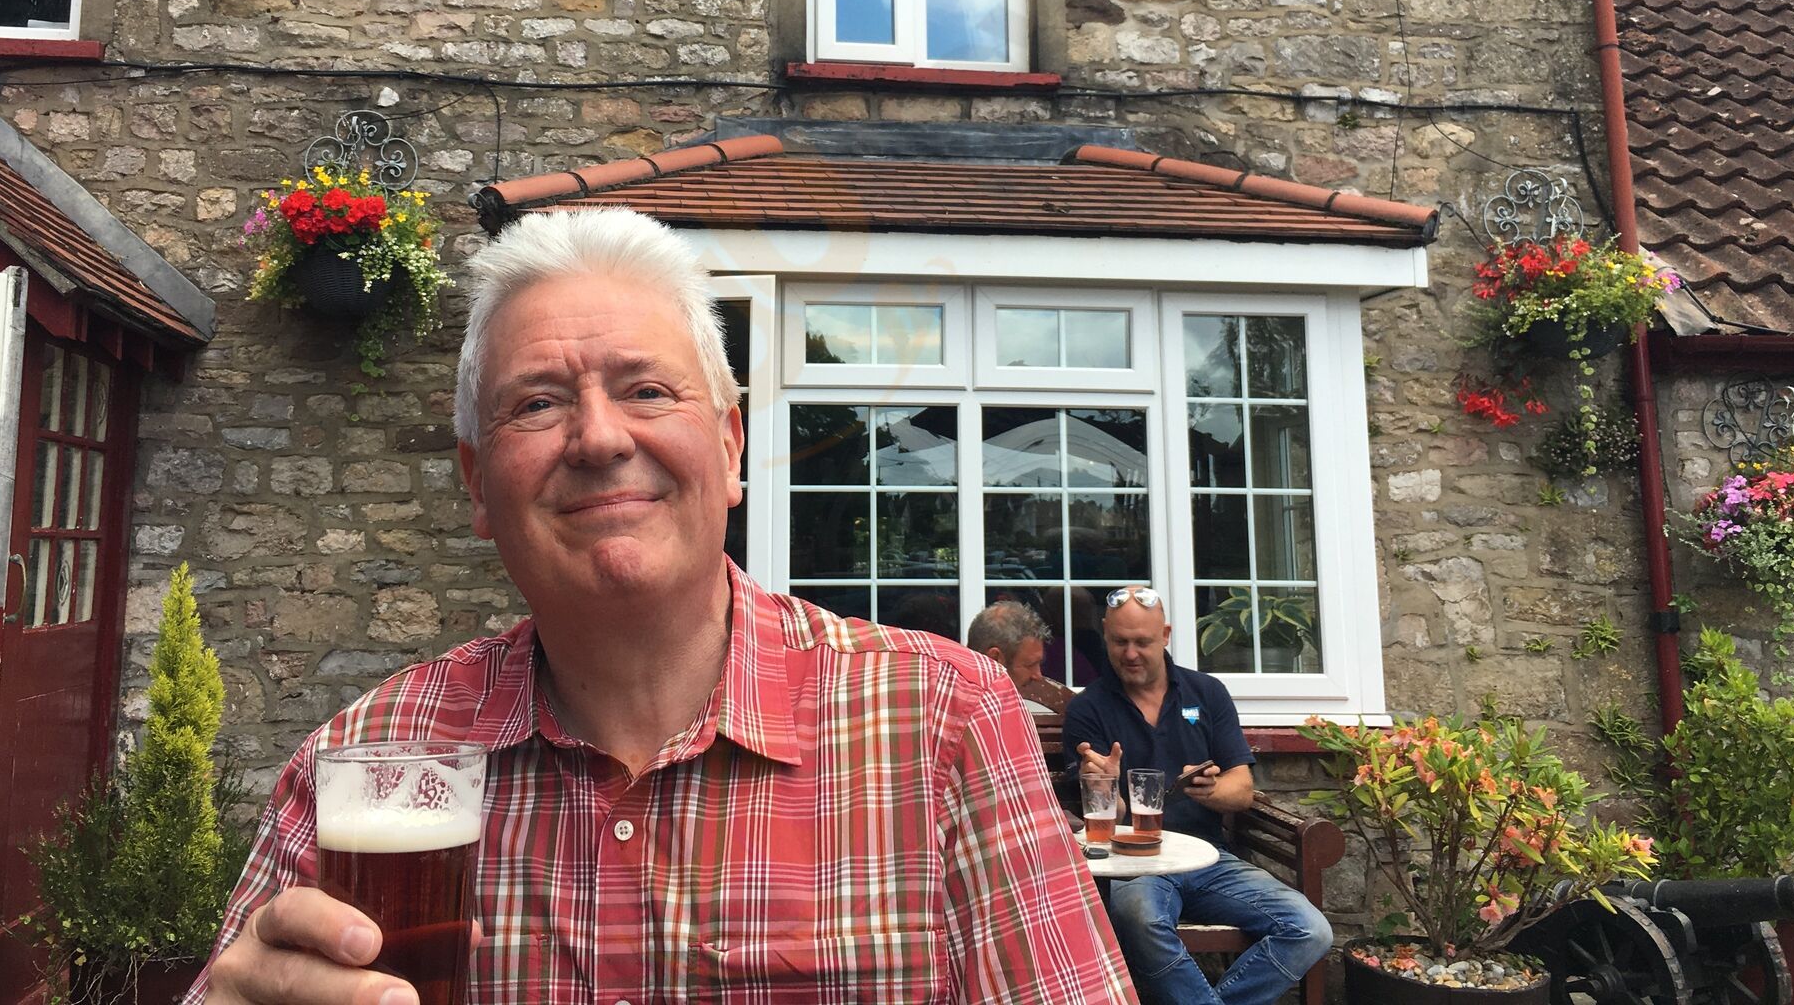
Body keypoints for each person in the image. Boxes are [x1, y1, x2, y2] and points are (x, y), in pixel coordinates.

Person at [193, 206, 1134, 1005]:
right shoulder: (366, 758)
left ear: (730, 448)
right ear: (477, 485)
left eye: (646, 390)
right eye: (537, 405)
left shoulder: (944, 720)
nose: (600, 439)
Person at [1063, 586, 1332, 1005]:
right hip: (1135, 863)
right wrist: (1104, 785)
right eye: (1119, 642)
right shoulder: (1089, 708)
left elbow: (1242, 790)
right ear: (1104, 635)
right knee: (1138, 919)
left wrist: (1212, 789)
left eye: (1142, 642)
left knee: (1311, 930)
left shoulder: (1206, 693)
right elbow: (1106, 820)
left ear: (1165, 635)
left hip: (1209, 859)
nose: (1130, 654)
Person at [965, 599, 1074, 716]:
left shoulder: (1013, 709)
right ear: (994, 659)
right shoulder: (955, 711)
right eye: (1029, 665)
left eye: (1039, 663)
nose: (1038, 675)